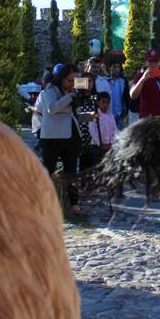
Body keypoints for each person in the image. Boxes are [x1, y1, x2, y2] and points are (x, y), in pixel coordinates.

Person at [38, 64, 83, 215]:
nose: (72, 84)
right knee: (47, 171)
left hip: (70, 136)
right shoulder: (48, 91)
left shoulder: (73, 91)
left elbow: (72, 111)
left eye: (76, 81)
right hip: (52, 137)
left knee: (71, 172)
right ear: (61, 78)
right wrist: (70, 97)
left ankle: (75, 206)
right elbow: (52, 108)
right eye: (70, 80)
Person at [84, 91, 118, 169]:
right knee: (97, 168)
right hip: (97, 147)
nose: (105, 105)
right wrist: (100, 144)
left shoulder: (111, 115)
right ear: (98, 103)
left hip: (109, 147)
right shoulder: (94, 115)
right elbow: (92, 130)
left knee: (108, 167)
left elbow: (115, 130)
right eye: (103, 102)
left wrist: (112, 142)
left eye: (107, 103)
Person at [106, 61, 130, 130]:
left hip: (120, 114)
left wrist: (126, 111)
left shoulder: (123, 81)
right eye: (114, 67)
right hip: (108, 113)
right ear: (109, 68)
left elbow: (127, 97)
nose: (117, 69)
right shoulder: (104, 80)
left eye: (118, 67)